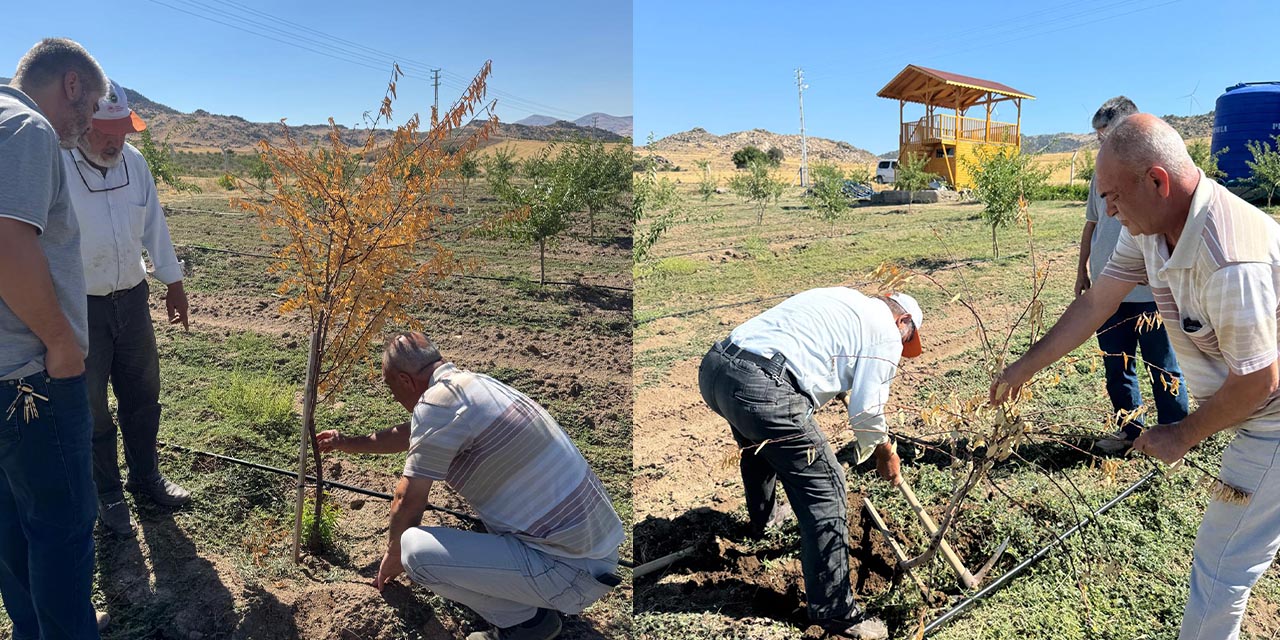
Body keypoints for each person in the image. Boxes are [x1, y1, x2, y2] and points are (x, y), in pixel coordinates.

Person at [991, 113, 1280, 640]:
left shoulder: (1229, 258)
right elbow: (1097, 303)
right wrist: (1022, 368)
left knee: (1221, 565)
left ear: (1156, 181)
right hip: (1258, 408)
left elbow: (1259, 383)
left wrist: (1182, 432)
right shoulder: (1150, 230)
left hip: (1273, 420)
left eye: (1112, 196)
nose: (1106, 210)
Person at [317, 333, 625, 640]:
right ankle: (533, 605)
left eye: (393, 390)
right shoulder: (471, 386)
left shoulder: (437, 404)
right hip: (595, 551)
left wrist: (393, 557)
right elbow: (411, 434)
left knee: (415, 551)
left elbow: (406, 499)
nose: (397, 400)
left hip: (569, 570)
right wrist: (346, 443)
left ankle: (525, 625)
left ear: (405, 380)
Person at [698, 287, 924, 640]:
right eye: (907, 338)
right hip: (763, 387)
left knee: (759, 447)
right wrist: (884, 452)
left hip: (717, 368)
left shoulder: (845, 300)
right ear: (903, 320)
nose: (903, 346)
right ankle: (836, 613)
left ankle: (765, 520)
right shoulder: (886, 330)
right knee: (828, 490)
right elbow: (866, 412)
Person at [0, 38, 110, 638]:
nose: (88, 121)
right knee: (63, 527)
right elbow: (9, 244)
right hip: (32, 378)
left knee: (12, 522)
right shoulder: (27, 128)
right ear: (70, 84)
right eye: (89, 105)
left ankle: (33, 629)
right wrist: (61, 343)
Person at [62, 77, 191, 537]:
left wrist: (172, 282)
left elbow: (153, 222)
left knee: (143, 397)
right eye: (105, 132)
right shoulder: (57, 164)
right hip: (80, 307)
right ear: (81, 124)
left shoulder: (134, 163)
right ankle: (107, 494)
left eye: (122, 131)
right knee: (92, 408)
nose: (115, 141)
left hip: (133, 302)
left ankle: (145, 478)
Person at [1075, 96, 1189, 453]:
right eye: (1097, 136)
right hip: (1110, 296)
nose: (1100, 142)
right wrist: (1082, 271)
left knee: (1164, 366)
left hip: (1152, 297)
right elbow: (1091, 226)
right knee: (1116, 364)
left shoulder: (1152, 177)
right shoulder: (1100, 177)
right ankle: (1128, 431)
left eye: (1105, 134)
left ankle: (1177, 432)